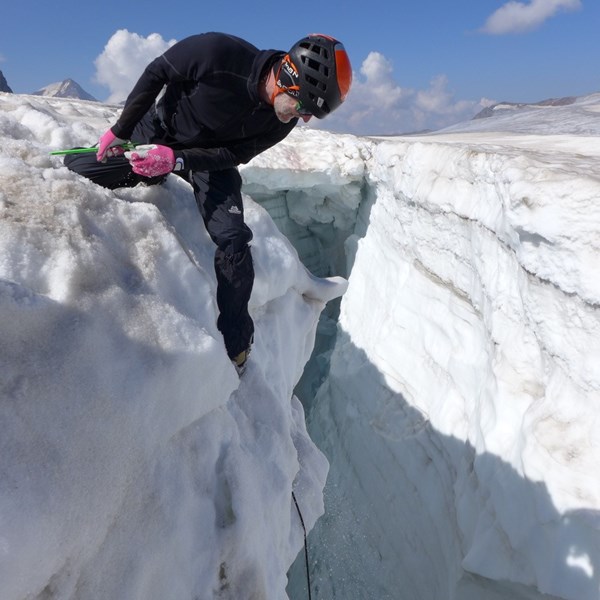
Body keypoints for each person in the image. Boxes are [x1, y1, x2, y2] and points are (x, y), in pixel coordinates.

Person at [64, 32, 352, 374]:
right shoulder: (219, 54)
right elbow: (158, 72)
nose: (303, 118)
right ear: (288, 75)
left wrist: (177, 161)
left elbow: (235, 153)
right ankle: (141, 169)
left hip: (208, 160)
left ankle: (237, 345)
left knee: (234, 240)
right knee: (79, 169)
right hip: (158, 131)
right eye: (304, 106)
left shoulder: (280, 120)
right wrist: (122, 130)